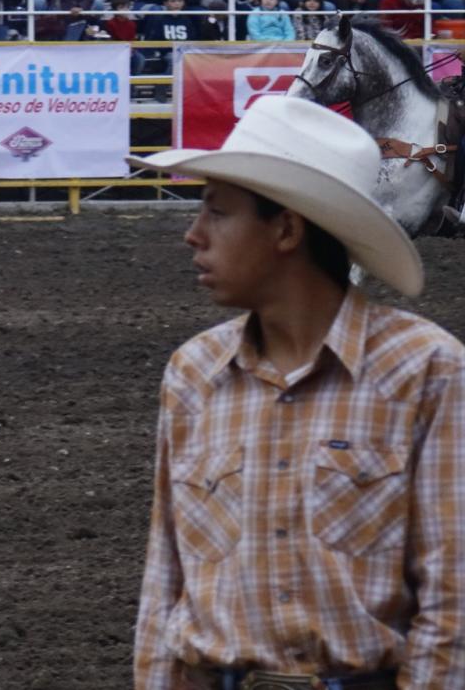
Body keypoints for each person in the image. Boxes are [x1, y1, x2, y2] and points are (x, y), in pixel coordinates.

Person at [129, 96, 458, 690]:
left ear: (286, 229)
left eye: (217, 212)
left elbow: (453, 599)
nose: (192, 235)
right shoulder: (192, 374)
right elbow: (165, 587)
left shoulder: (425, 371)